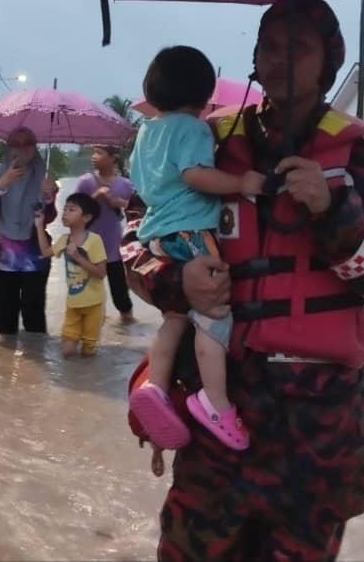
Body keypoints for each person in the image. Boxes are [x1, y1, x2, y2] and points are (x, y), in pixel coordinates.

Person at [122, 0, 364, 561]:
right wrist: (175, 281)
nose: (282, 57)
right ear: (255, 58)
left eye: (301, 46)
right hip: (220, 418)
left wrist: (336, 211)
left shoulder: (363, 157)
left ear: (329, 60)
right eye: (270, 45)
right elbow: (135, 235)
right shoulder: (208, 143)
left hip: (318, 437)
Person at [128, 46, 265, 452]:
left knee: (174, 315)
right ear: (204, 94)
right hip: (191, 231)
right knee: (213, 317)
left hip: (156, 234)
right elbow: (195, 175)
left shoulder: (146, 131)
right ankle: (216, 402)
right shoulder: (194, 129)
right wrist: (240, 183)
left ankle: (155, 384)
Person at [0, 126, 59, 336]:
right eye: (16, 143)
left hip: (36, 258)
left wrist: (49, 197)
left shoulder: (45, 174)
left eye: (28, 143)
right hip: (3, 257)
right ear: (8, 147)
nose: (22, 149)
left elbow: (50, 217)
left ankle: (37, 367)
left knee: (35, 323)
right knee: (4, 327)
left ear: (35, 147)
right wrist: (5, 182)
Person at [34, 191, 108, 358]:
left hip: (94, 303)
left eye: (72, 210)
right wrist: (39, 226)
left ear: (86, 218)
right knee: (67, 351)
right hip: (73, 303)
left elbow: (101, 273)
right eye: (65, 209)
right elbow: (45, 252)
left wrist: (77, 257)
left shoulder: (94, 240)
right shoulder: (64, 239)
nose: (65, 213)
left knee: (88, 352)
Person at [74, 145, 136, 322]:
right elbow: (73, 212)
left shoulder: (125, 184)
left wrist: (119, 203)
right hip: (88, 249)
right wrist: (94, 197)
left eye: (99, 153)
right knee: (89, 297)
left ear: (112, 157)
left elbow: (137, 210)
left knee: (121, 298)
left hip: (113, 248)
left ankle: (126, 330)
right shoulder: (85, 182)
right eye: (93, 152)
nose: (94, 156)